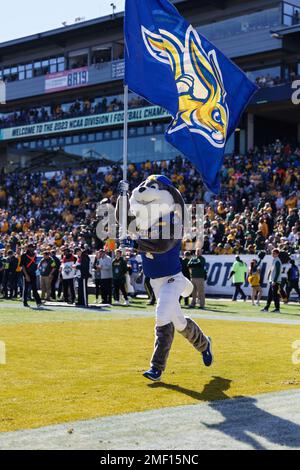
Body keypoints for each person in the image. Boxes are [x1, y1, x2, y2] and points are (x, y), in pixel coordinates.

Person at [21, 244, 42, 308]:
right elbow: (22, 266)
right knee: (26, 288)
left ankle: (38, 302)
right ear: (29, 248)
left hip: (33, 273)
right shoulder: (24, 255)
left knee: (34, 288)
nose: (33, 248)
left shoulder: (34, 255)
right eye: (32, 247)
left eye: (33, 247)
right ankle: (25, 302)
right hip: (26, 273)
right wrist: (26, 275)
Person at [261, 249, 282, 313]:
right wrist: (269, 277)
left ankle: (277, 309)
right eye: (272, 253)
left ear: (277, 254)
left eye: (274, 253)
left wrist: (274, 281)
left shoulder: (277, 261)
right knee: (270, 295)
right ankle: (266, 308)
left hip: (275, 281)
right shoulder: (274, 260)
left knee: (275, 296)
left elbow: (278, 272)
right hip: (272, 281)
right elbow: (272, 270)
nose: (273, 254)